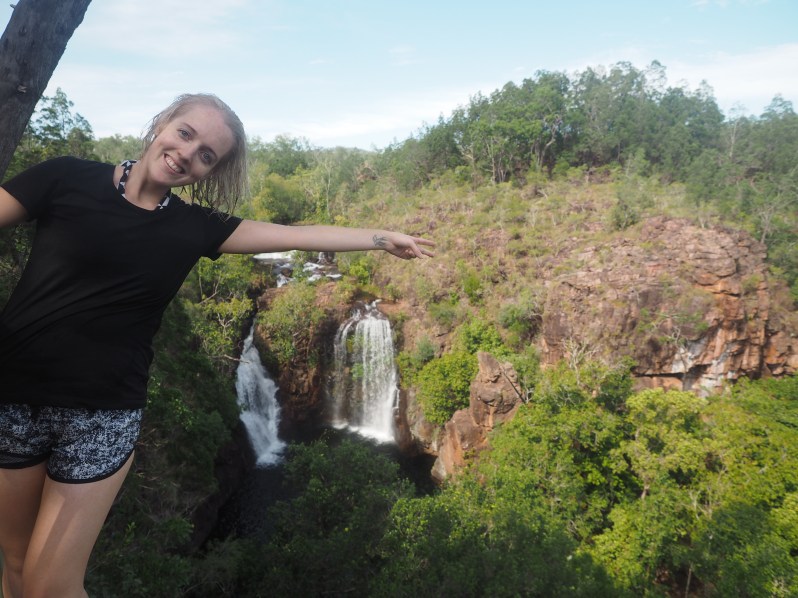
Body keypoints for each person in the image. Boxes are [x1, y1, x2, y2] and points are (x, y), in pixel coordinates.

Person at [0, 92, 434, 598]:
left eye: (206, 154)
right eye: (186, 133)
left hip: (100, 415)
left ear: (209, 173)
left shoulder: (193, 228)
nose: (188, 153)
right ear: (162, 122)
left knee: (50, 584)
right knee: (12, 560)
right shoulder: (63, 177)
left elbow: (290, 235)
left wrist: (380, 238)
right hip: (13, 397)